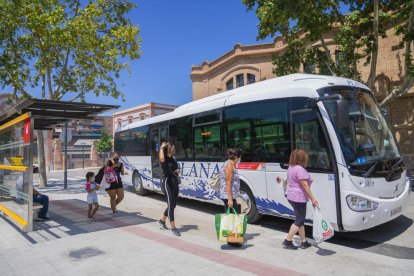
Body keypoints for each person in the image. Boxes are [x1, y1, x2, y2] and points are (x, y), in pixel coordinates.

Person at [283, 149, 319, 250]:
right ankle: (288, 240)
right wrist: (313, 198)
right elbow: (304, 185)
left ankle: (304, 241)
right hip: (299, 197)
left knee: (300, 219)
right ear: (303, 158)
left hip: (292, 196)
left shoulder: (291, 167)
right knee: (299, 220)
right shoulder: (300, 169)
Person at [219, 147, 243, 247]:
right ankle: (233, 240)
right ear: (236, 157)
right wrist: (230, 199)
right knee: (234, 217)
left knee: (232, 218)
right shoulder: (229, 166)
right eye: (239, 157)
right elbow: (228, 183)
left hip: (230, 195)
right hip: (229, 196)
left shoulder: (230, 164)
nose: (240, 159)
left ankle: (231, 239)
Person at [158, 141, 181, 236]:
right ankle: (174, 228)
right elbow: (161, 158)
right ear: (168, 149)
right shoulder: (164, 159)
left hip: (175, 182)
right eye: (171, 147)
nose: (173, 148)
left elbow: (175, 169)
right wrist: (161, 147)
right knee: (171, 206)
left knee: (173, 205)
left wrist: (177, 171)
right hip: (167, 183)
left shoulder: (173, 158)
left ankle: (162, 221)